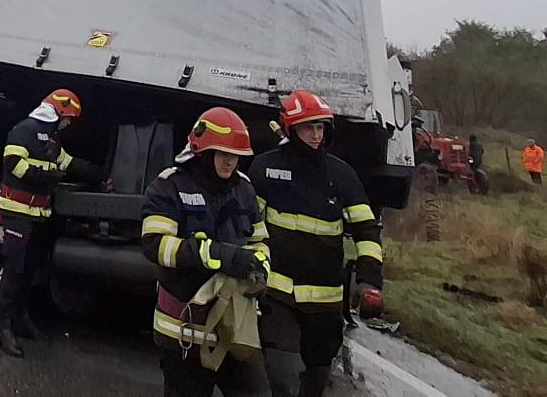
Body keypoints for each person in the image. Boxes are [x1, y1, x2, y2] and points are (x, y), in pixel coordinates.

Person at [250, 90, 384, 397]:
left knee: (316, 381)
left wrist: (369, 282)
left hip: (325, 304)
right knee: (282, 378)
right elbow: (247, 224)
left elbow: (366, 232)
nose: (315, 134)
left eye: (320, 127)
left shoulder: (342, 175)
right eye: (308, 127)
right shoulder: (264, 169)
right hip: (277, 296)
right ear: (290, 129)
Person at [142, 107, 269, 396]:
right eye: (222, 153)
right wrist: (218, 254)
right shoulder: (168, 185)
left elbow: (260, 241)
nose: (229, 161)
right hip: (184, 329)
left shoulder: (245, 189)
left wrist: (261, 271)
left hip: (235, 325)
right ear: (202, 151)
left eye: (236, 155)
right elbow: (154, 244)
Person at [0, 88, 88, 358]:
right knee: (13, 270)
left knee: (28, 269)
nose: (69, 124)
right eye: (68, 118)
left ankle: (21, 319)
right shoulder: (24, 130)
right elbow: (13, 164)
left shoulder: (52, 140)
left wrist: (100, 176)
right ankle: (4, 328)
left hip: (36, 215)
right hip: (16, 212)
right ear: (58, 111)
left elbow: (68, 164)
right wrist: (49, 176)